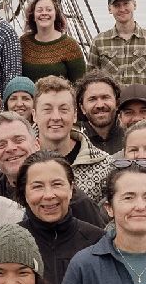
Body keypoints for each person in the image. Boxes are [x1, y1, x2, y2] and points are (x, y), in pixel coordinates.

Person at [16, 151, 104, 284]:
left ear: (71, 188)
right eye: (37, 186)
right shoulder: (11, 241)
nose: (49, 195)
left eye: (57, 184)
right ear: (24, 193)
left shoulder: (98, 241)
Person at [33, 76, 115, 206]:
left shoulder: (104, 166)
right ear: (34, 115)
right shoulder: (20, 160)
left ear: (75, 115)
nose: (56, 117)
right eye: (47, 110)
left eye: (63, 109)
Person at [88, 0, 146, 110]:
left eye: (126, 4)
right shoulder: (99, 42)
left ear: (134, 5)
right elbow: (90, 82)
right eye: (116, 5)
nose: (122, 9)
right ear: (110, 9)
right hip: (110, 112)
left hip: (141, 112)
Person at [19, 0, 85, 83]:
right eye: (39, 10)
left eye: (49, 10)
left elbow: (80, 84)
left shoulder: (70, 45)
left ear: (56, 15)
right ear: (33, 16)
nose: (44, 13)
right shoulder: (24, 43)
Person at [76, 72, 125, 156]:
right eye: (92, 99)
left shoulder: (129, 136)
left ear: (117, 103)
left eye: (105, 97)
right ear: (82, 108)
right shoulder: (74, 140)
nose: (100, 105)